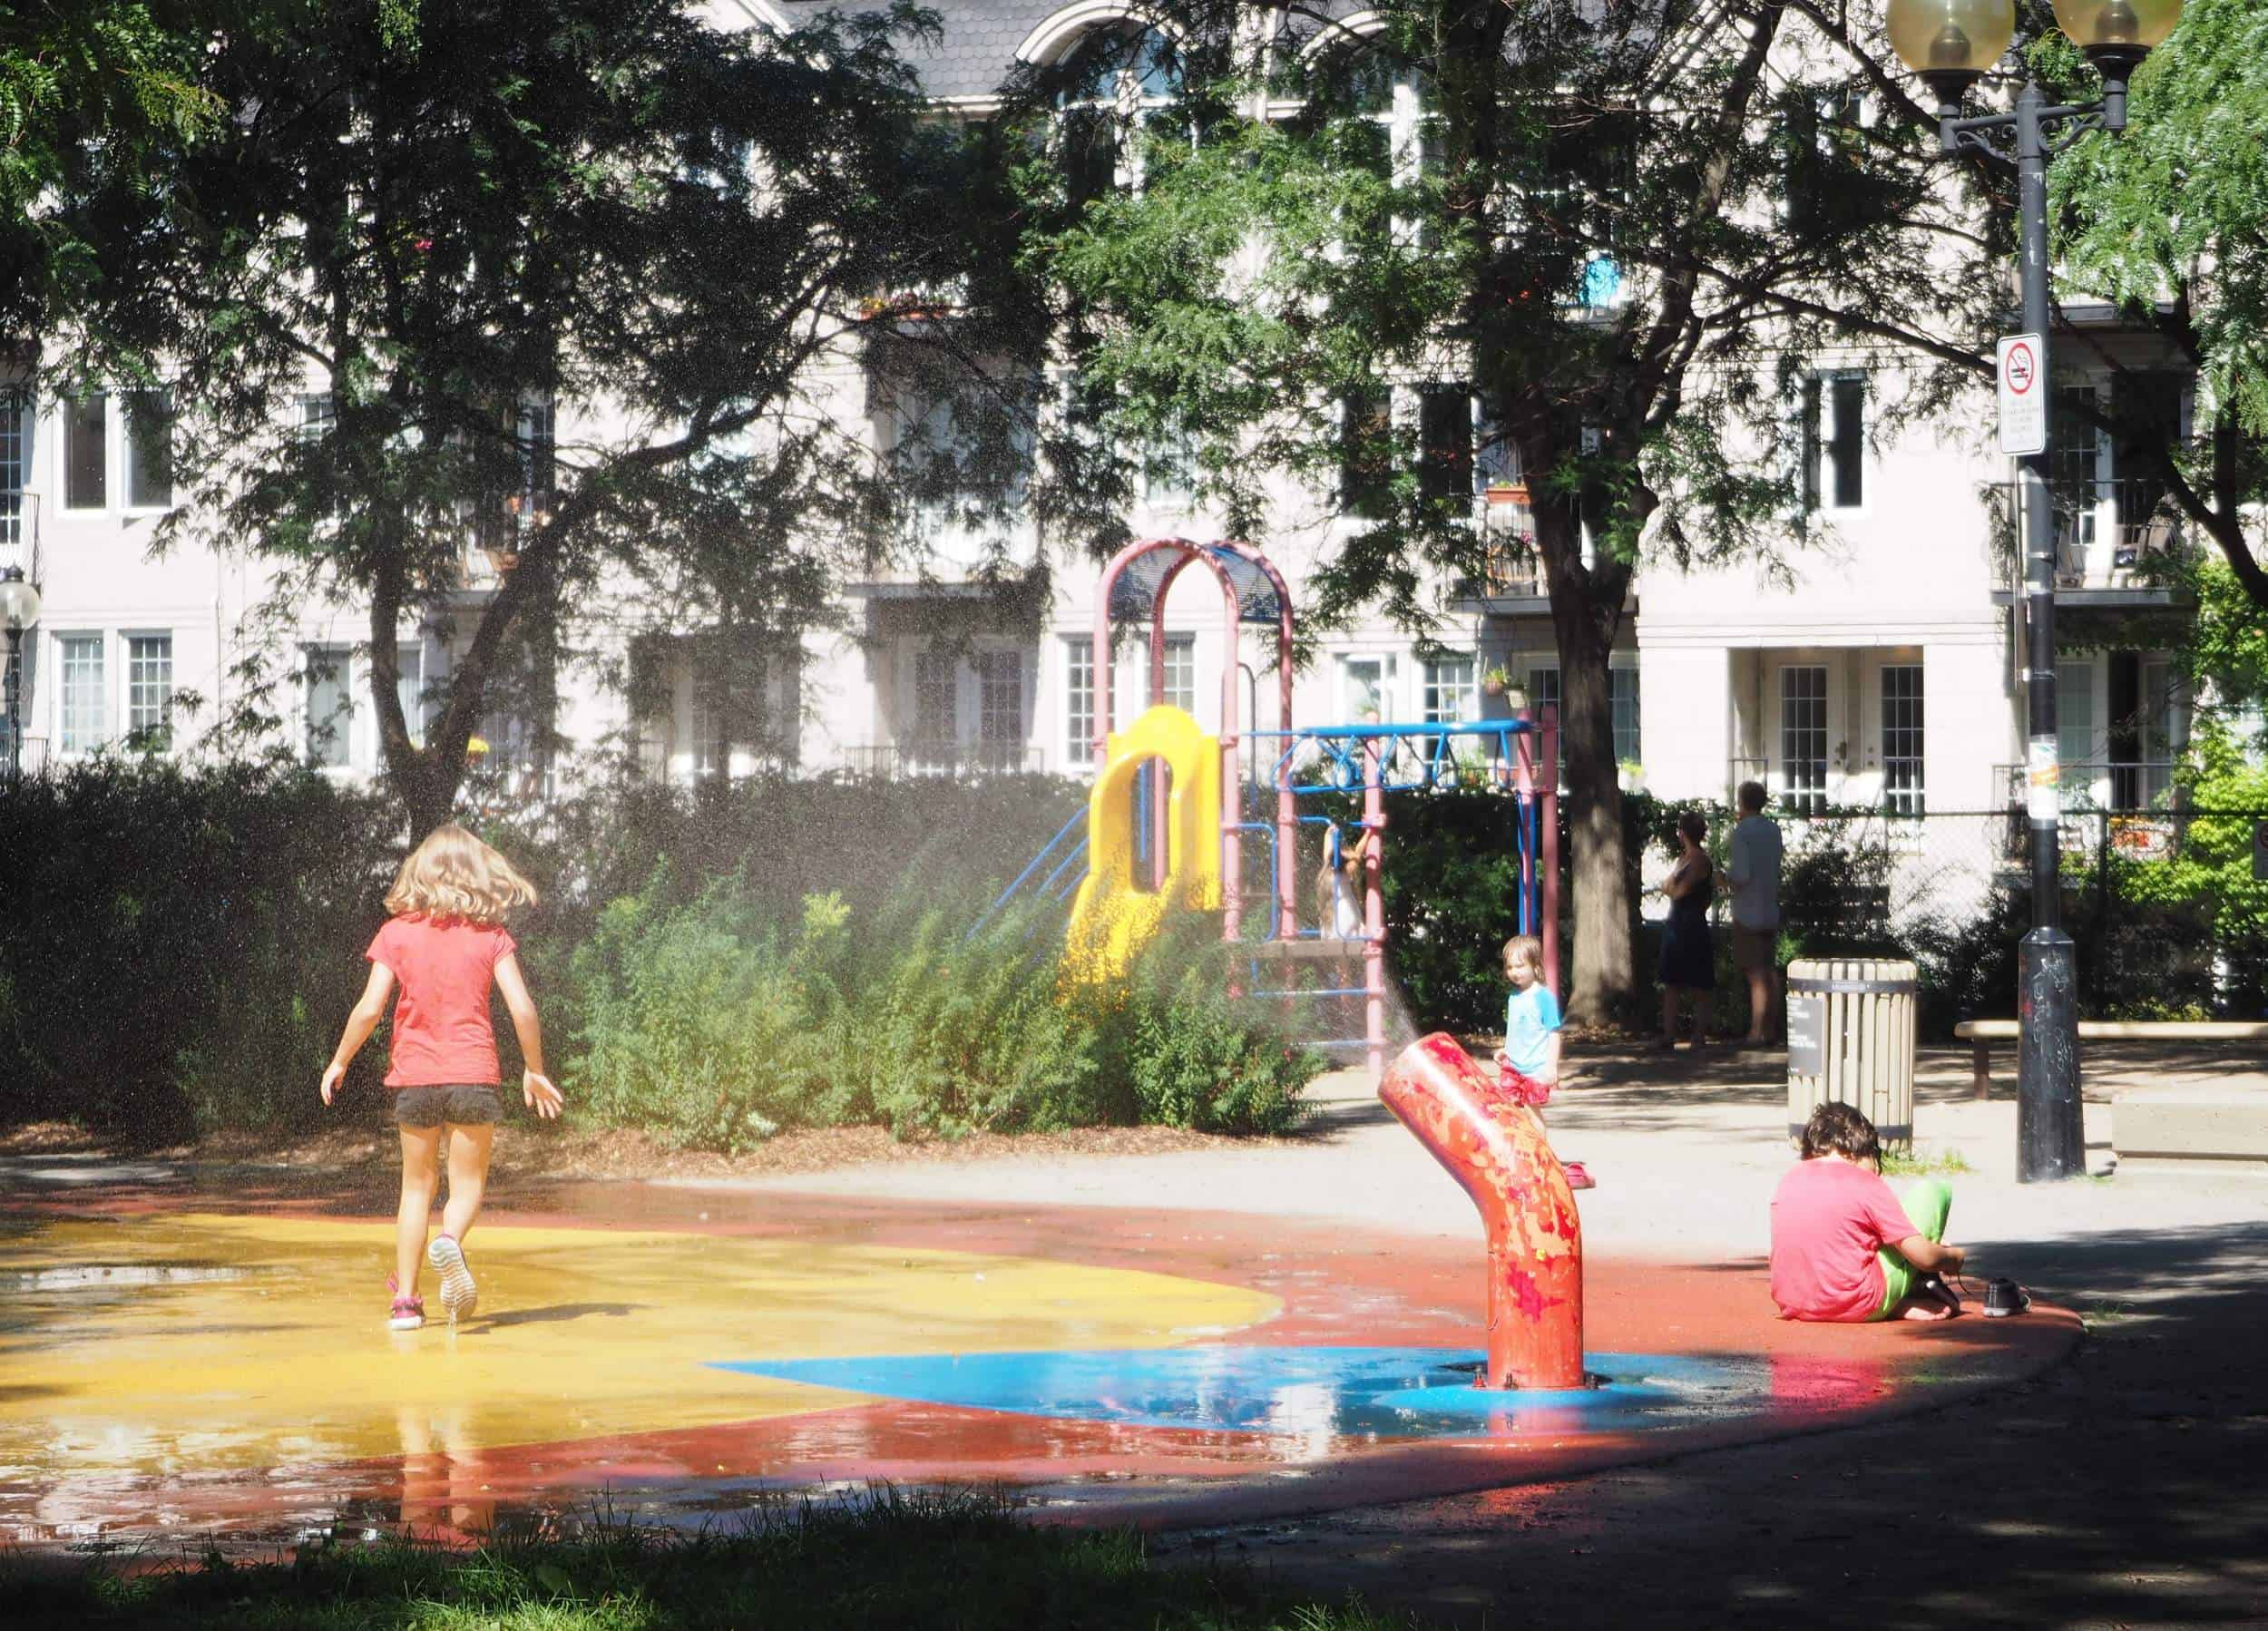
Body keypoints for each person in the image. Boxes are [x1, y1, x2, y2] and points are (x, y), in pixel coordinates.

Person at [320, 823, 562, 1331]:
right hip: (474, 1074)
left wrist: (341, 1060)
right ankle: (449, 1241)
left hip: (416, 1077)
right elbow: (522, 1007)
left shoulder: (396, 934)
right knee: (467, 1185)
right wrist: (534, 1069)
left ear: (420, 873)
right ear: (479, 875)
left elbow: (369, 1009)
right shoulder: (492, 936)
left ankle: (406, 1303)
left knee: (416, 1189)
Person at [1770, 1102, 1965, 1322]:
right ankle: (1906, 1292)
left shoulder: (1788, 1180)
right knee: (1932, 1190)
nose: (1877, 1172)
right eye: (1875, 1158)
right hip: (1857, 1302)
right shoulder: (1864, 1182)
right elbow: (1926, 1258)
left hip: (1794, 1303)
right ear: (1857, 1150)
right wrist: (1953, 1257)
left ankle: (1896, 1305)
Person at [1495, 934, 1593, 1189]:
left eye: (1520, 966)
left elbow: (1553, 1033)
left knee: (1532, 1111)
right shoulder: (1514, 998)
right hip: (1513, 1065)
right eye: (1509, 967)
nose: (1514, 972)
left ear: (1535, 966)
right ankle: (1517, 1154)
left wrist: (1551, 1067)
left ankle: (1540, 1158)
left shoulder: (1543, 997)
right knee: (1507, 1108)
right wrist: (1505, 1050)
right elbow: (1516, 1030)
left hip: (1536, 1068)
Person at [1726, 780, 1784, 1046]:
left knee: (1755, 973)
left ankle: (1755, 1032)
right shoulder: (1773, 830)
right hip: (1769, 906)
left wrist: (1722, 879)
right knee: (1770, 971)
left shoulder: (1742, 833)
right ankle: (1770, 1030)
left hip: (1747, 909)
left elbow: (1741, 874)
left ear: (1742, 802)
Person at [1653, 808, 1716, 1050]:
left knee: (1700, 982)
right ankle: (1669, 1034)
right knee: (1671, 980)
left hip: (1692, 922)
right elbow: (1669, 886)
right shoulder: (1682, 860)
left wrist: (1671, 886)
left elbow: (1676, 890)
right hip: (1677, 921)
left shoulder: (1700, 860)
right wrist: (1670, 886)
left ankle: (1699, 1035)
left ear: (1684, 833)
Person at [1315, 821, 1377, 941]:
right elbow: (1358, 853)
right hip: (1347, 915)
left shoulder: (1327, 871)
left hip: (1335, 917)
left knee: (1337, 949)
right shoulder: (1345, 871)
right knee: (1347, 944)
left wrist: (1328, 834)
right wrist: (1369, 833)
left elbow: (1329, 853)